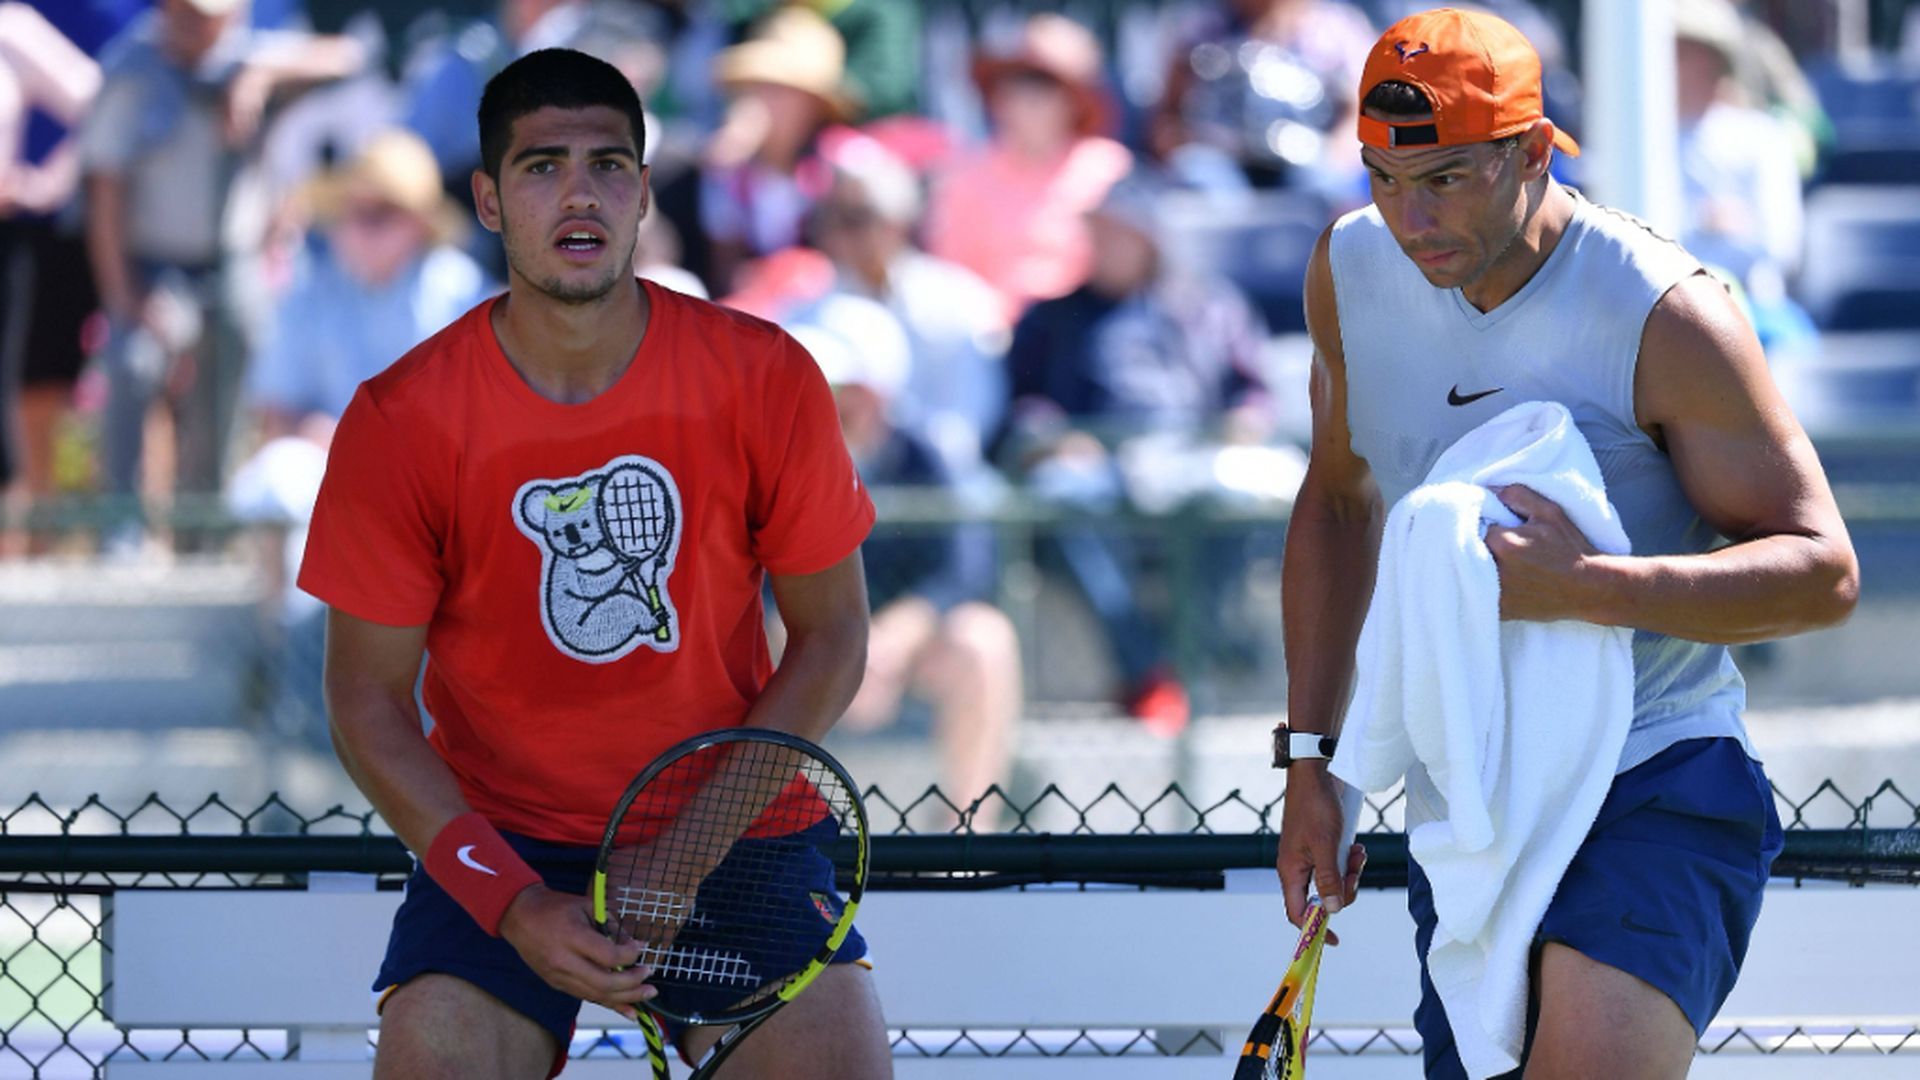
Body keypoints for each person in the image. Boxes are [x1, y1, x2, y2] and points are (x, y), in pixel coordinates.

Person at [1272, 9, 1857, 1080]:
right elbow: (1340, 502)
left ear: (1535, 152)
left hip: (1659, 776)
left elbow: (1824, 573)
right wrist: (1311, 761)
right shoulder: (1347, 268)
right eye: (1383, 180)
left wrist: (1592, 588)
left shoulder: (1669, 311)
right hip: (1470, 810)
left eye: (1446, 178)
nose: (1410, 218)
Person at [296, 48, 888, 1078]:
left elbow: (834, 634)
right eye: (541, 167)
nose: (581, 192)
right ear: (485, 199)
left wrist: (689, 848)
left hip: (731, 833)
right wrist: (513, 901)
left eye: (610, 164)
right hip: (505, 843)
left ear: (646, 192)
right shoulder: (402, 418)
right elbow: (365, 699)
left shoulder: (766, 376)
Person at [81, 0, 364, 553]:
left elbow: (350, 57)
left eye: (208, 15)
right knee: (133, 360)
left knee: (233, 369)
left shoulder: (251, 60)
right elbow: (105, 196)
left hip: (231, 262)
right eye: (185, 13)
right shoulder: (131, 71)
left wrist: (260, 75)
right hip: (153, 261)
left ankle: (202, 535)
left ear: (233, 18)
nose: (197, 25)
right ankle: (122, 530)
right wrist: (125, 296)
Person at [999, 171, 1275, 736]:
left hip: (1192, 458)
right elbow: (1024, 403)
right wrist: (1055, 438)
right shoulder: (1051, 314)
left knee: (1237, 496)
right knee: (1061, 495)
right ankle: (1155, 668)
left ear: (1148, 240)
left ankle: (1184, 654)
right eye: (1095, 233)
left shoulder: (1208, 306)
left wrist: (1245, 422)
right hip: (1094, 465)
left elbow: (1253, 392)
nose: (1102, 245)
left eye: (1116, 233)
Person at [788, 310, 1020, 827]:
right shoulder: (776, 450)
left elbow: (966, 571)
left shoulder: (927, 458)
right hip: (800, 641)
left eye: (835, 385)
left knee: (984, 640)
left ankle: (967, 840)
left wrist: (890, 639)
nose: (814, 396)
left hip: (904, 654)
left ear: (875, 395)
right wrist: (835, 648)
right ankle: (761, 833)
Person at [924, 13, 1131, 323]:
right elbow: (949, 276)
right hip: (992, 338)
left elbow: (1121, 273)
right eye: (1015, 83)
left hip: (1079, 335)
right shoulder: (966, 176)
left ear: (1074, 102)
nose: (1024, 99)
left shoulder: (1108, 170)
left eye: (1043, 84)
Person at [0, 2, 104, 556]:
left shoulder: (10, 28)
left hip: (7, 243)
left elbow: (103, 102)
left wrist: (49, 182)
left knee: (15, 408)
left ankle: (21, 557)